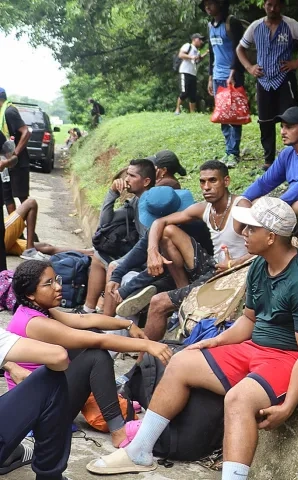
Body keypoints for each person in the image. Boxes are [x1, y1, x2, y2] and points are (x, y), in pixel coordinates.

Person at [87, 197, 298, 478]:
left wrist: (288, 406)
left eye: (251, 229)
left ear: (271, 236)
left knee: (239, 400)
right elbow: (249, 320)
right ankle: (140, 450)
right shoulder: (258, 265)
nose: (243, 232)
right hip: (255, 348)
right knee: (181, 362)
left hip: (294, 358)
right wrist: (216, 341)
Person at [5, 260, 173, 448]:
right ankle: (119, 431)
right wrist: (147, 345)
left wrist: (128, 324)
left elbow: (83, 319)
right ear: (30, 294)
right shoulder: (36, 323)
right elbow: (98, 341)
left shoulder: (34, 310)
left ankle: (111, 404)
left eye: (56, 280)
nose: (58, 287)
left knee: (85, 344)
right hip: (40, 418)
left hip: (43, 401)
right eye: (48, 284)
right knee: (96, 355)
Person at [118, 161, 250, 340]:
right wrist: (152, 252)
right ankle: (183, 294)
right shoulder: (204, 208)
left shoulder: (241, 208)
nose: (206, 187)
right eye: (202, 182)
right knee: (168, 231)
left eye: (213, 181)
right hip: (214, 268)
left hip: (235, 275)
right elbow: (159, 222)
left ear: (226, 181)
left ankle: (143, 365)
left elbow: (267, 245)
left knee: (158, 302)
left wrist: (234, 263)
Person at [105, 186, 214, 320]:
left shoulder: (193, 225)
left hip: (198, 270)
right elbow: (139, 252)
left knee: (147, 284)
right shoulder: (159, 229)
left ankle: (178, 304)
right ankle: (108, 320)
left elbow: (162, 267)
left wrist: (128, 288)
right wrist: (116, 276)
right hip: (174, 271)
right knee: (128, 278)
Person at [238, 0, 298, 170]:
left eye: (277, 5)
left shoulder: (290, 24)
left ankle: (296, 156)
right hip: (264, 80)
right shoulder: (255, 26)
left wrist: (297, 62)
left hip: (284, 78)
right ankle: (269, 160)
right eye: (270, 5)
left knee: (291, 118)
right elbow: (240, 49)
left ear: (282, 6)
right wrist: (249, 67)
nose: (273, 9)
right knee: (265, 121)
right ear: (264, 5)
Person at [79, 158, 156, 315]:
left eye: (132, 176)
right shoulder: (136, 200)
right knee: (98, 256)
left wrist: (122, 263)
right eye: (127, 175)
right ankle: (88, 310)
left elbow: (146, 244)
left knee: (114, 267)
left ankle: (106, 322)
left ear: (146, 181)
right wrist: (112, 193)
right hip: (140, 253)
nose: (126, 179)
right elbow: (105, 222)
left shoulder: (152, 203)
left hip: (149, 260)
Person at [0, 328, 72, 480]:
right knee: (52, 381)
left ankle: (14, 453)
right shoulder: (33, 321)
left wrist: (10, 365)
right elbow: (59, 356)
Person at [204, 0, 247, 166]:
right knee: (222, 115)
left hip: (232, 76)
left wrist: (233, 73)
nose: (208, 7)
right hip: (217, 76)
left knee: (234, 116)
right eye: (206, 4)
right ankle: (228, 150)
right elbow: (212, 55)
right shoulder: (210, 26)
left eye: (211, 3)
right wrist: (210, 77)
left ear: (220, 4)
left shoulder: (232, 23)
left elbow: (239, 49)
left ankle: (234, 153)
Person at [0, 87, 32, 215]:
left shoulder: (9, 112)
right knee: (7, 197)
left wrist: (15, 153)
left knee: (22, 197)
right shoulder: (2, 113)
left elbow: (26, 132)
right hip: (6, 163)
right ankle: (16, 231)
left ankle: (30, 233)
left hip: (18, 163)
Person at [175, 33, 205, 115]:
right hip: (185, 71)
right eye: (199, 39)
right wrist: (191, 57)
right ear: (194, 39)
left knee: (193, 94)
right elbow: (181, 55)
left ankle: (192, 113)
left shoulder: (197, 51)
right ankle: (177, 109)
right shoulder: (188, 45)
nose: (201, 41)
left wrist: (205, 54)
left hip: (193, 73)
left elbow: (197, 61)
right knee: (184, 93)